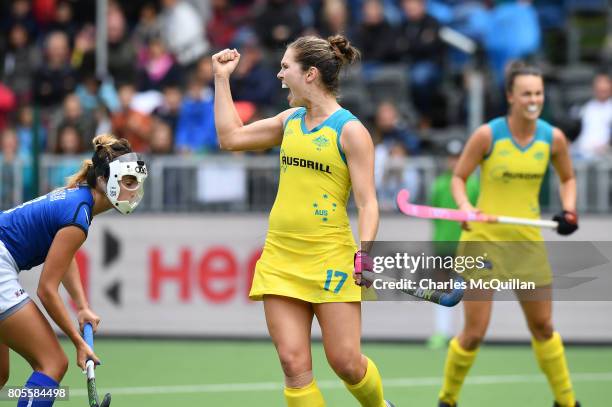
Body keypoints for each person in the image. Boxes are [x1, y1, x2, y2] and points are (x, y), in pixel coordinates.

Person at [213, 35, 395, 407]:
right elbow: (230, 137)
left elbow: (368, 202)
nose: (279, 75)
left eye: (285, 67)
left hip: (331, 258)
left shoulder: (351, 131)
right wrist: (221, 78)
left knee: (345, 362)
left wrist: (366, 252)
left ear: (310, 74)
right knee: (293, 365)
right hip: (281, 259)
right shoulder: (289, 121)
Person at [437, 61, 580, 407]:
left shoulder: (553, 138)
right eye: (526, 93)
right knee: (473, 333)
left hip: (526, 245)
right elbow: (459, 178)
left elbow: (568, 179)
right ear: (510, 97)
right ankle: (447, 400)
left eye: (538, 93)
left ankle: (566, 401)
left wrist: (570, 210)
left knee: (544, 327)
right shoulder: (488, 135)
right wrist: (466, 208)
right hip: (484, 242)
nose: (534, 99)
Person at [0, 134, 148, 407]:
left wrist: (82, 306)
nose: (135, 190)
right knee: (52, 363)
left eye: (137, 182)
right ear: (105, 180)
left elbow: (64, 258)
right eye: (129, 182)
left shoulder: (79, 202)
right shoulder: (78, 215)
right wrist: (79, 342)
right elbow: (46, 289)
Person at [426, 139, 479, 350]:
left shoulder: (474, 185)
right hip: (442, 245)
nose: (455, 162)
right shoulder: (439, 184)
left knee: (467, 291)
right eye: (452, 158)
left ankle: (467, 334)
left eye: (459, 158)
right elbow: (433, 213)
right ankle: (442, 332)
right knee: (442, 288)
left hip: (466, 246)